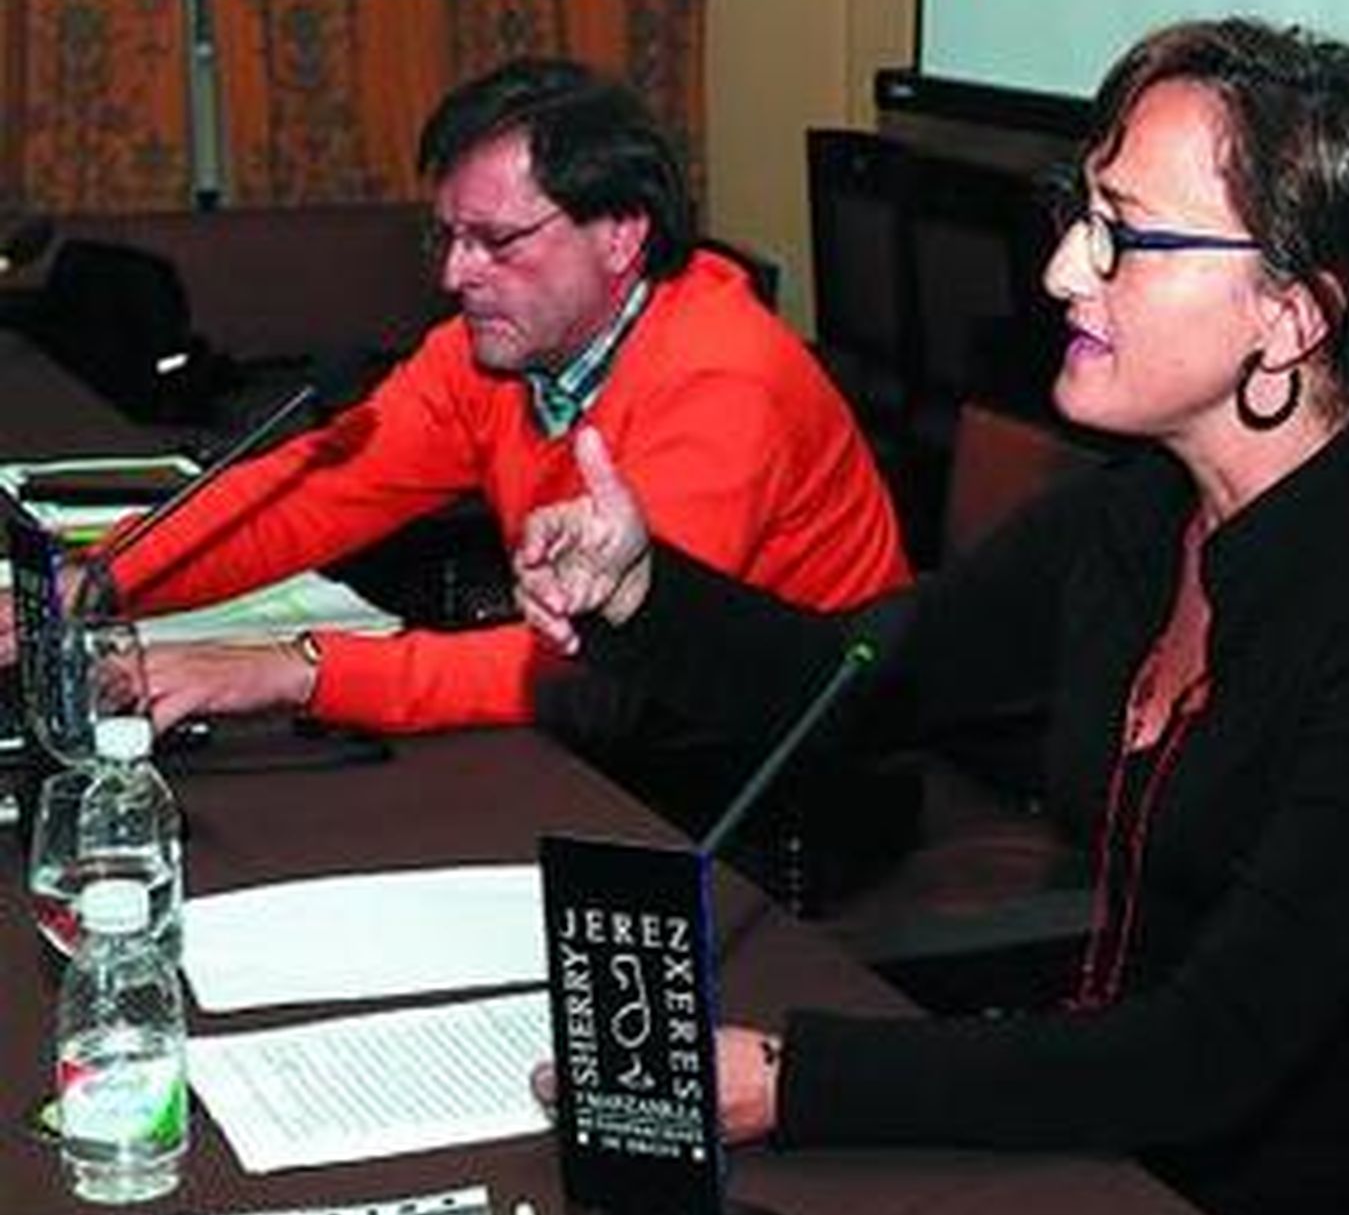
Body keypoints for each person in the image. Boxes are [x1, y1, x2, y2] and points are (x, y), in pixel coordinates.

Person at [515, 19, 1349, 1215]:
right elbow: (851, 682)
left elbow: (1211, 1050)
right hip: (1126, 1168)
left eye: (1125, 235)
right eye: (1081, 212)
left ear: (1294, 314)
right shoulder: (1137, 518)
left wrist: (796, 1079)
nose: (1066, 265)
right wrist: (640, 589)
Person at [24, 57, 907, 734]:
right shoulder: (490, 353)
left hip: (796, 764)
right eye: (446, 237)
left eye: (496, 241)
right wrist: (93, 582)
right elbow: (317, 491)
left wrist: (295, 669)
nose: (455, 274)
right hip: (645, 730)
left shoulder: (725, 381)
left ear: (620, 234)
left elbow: (608, 661)